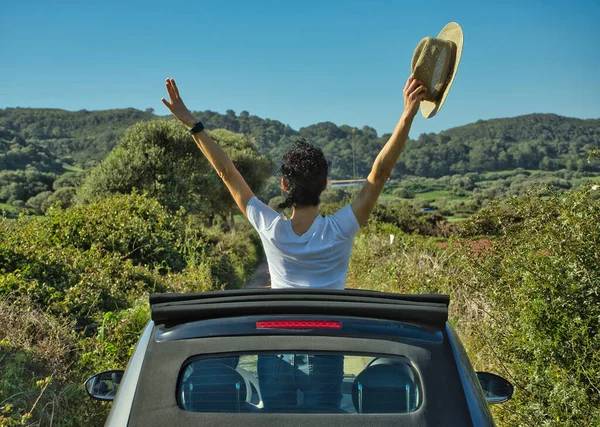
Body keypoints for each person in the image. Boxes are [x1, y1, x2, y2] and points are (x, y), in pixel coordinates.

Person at [161, 75, 427, 410]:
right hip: (326, 349)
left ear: (285, 184)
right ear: (326, 184)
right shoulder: (340, 229)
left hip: (275, 347)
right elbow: (379, 173)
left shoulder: (271, 228)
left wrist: (192, 124)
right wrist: (407, 116)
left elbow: (227, 173)